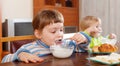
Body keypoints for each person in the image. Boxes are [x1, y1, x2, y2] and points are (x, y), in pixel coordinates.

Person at [2, 9, 90, 63]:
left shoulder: (66, 45)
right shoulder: (29, 49)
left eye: (61, 30)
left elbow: (82, 49)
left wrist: (83, 38)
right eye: (53, 31)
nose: (59, 34)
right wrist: (19, 55)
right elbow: (4, 60)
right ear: (38, 34)